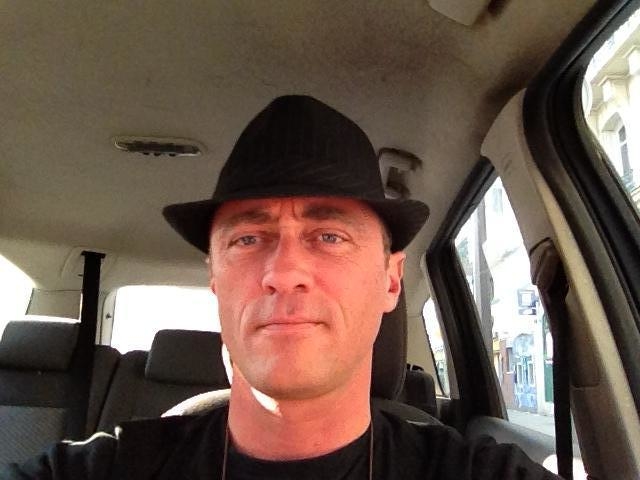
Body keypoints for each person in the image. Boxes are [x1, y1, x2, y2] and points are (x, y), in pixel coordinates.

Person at [2, 95, 560, 479]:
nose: (283, 270)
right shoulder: (105, 469)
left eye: (329, 236)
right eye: (249, 239)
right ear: (215, 280)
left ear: (390, 280)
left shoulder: (475, 471)